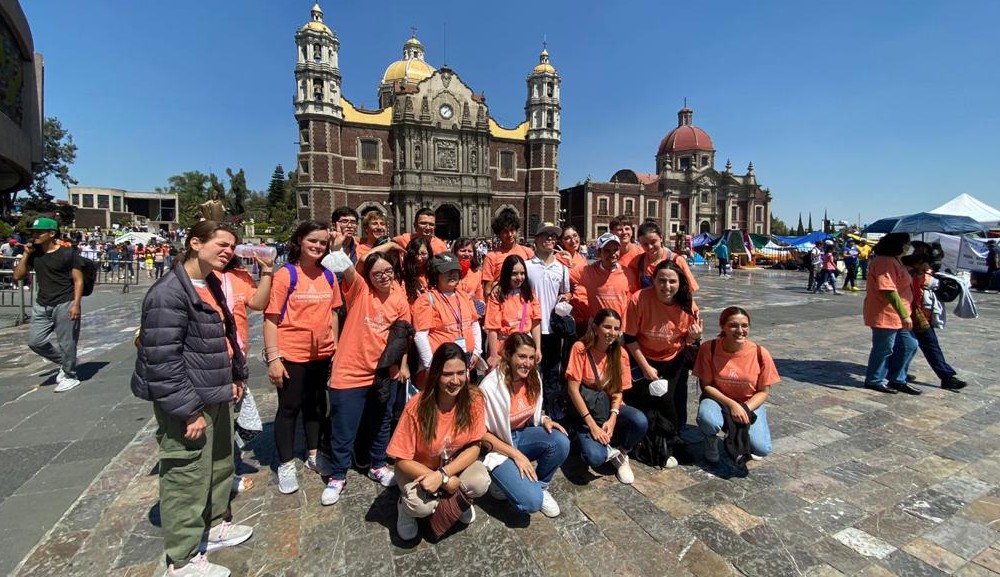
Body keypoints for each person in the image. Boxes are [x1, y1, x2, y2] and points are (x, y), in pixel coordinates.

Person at [130, 220, 253, 577]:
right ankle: (181, 559)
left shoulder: (211, 283)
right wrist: (187, 411)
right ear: (195, 243)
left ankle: (214, 525)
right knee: (186, 475)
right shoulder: (168, 293)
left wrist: (237, 375)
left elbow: (225, 334)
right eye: (222, 244)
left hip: (215, 390)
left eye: (232, 246)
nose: (228, 251)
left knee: (218, 464)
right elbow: (162, 359)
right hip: (187, 402)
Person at [321, 231, 412, 505]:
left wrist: (401, 366)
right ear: (368, 276)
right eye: (376, 272)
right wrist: (338, 247)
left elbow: (403, 336)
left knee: (381, 422)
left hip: (382, 373)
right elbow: (348, 266)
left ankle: (377, 464)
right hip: (349, 371)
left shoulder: (399, 300)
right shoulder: (360, 291)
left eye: (387, 271)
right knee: (344, 427)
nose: (383, 276)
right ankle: (337, 475)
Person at [263, 221, 342, 494]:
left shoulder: (328, 276)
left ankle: (313, 453)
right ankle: (285, 463)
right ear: (300, 240)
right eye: (313, 241)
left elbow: (333, 313)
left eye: (322, 242)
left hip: (321, 354)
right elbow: (271, 318)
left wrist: (336, 347)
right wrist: (273, 358)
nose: (318, 246)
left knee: (316, 405)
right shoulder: (287, 275)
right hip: (291, 354)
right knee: (289, 408)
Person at [387, 343, 490, 540]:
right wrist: (441, 479)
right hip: (417, 469)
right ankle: (405, 509)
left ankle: (455, 503)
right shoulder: (417, 406)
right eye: (447, 374)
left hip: (450, 466)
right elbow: (401, 460)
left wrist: (443, 476)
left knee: (480, 481)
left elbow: (476, 446)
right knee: (420, 506)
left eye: (461, 373)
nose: (455, 380)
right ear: (435, 374)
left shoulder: (474, 398)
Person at [623, 261, 703, 467]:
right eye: (662, 280)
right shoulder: (639, 299)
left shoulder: (688, 305)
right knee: (644, 402)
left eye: (672, 281)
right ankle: (643, 439)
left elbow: (688, 341)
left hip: (673, 360)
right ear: (653, 280)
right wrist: (645, 367)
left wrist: (694, 338)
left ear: (680, 283)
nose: (666, 286)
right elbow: (630, 337)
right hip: (642, 357)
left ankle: (670, 439)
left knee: (670, 404)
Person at [480, 333, 569, 517]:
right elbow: (481, 434)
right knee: (531, 502)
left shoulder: (533, 376)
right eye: (521, 356)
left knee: (560, 441)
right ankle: (503, 481)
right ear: (509, 356)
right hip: (499, 446)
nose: (527, 363)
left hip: (522, 434)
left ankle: (541, 486)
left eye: (531, 357)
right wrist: (516, 455)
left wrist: (544, 419)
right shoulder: (489, 387)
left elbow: (535, 412)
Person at [218, 239, 276, 494]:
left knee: (230, 419)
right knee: (215, 422)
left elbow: (258, 303)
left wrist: (265, 272)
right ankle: (218, 479)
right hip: (209, 361)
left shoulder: (239, 275)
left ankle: (227, 470)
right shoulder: (198, 279)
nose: (228, 251)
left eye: (231, 245)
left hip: (236, 358)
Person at [565, 308, 647, 484]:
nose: (612, 333)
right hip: (586, 411)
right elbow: (573, 389)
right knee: (595, 458)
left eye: (616, 329)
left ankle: (622, 452)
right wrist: (592, 425)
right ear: (595, 327)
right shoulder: (580, 348)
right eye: (607, 327)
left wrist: (613, 418)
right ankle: (583, 439)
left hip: (608, 406)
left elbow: (618, 390)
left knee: (640, 420)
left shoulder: (620, 353)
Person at [694, 306, 779, 465]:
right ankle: (711, 440)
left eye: (744, 325)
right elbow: (706, 386)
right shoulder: (709, 349)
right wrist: (732, 405)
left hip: (749, 401)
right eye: (733, 325)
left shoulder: (760, 353)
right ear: (723, 327)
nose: (740, 330)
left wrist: (745, 408)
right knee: (708, 419)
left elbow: (763, 391)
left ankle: (746, 432)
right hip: (717, 399)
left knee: (762, 448)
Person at [13, 217, 84, 392]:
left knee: (67, 342)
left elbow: (78, 280)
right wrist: (26, 254)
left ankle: (70, 375)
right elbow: (18, 276)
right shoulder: (34, 254)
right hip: (42, 304)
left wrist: (76, 304)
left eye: (39, 232)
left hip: (65, 302)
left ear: (52, 234)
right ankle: (64, 361)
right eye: (33, 232)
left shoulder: (68, 254)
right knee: (35, 341)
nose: (34, 235)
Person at [863, 233, 920, 395]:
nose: (909, 247)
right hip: (886, 313)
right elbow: (888, 289)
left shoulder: (896, 261)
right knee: (884, 348)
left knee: (909, 345)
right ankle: (874, 379)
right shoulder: (884, 262)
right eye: (907, 243)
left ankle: (898, 378)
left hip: (900, 314)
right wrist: (904, 314)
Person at [525, 223, 571, 418]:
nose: (550, 239)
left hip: (553, 330)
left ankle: (550, 410)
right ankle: (531, 409)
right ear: (536, 238)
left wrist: (565, 299)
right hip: (530, 329)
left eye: (553, 236)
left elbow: (566, 292)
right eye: (545, 235)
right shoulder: (527, 266)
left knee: (552, 372)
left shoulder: (561, 269)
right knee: (531, 372)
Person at [902, 253, 968, 391]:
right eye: (926, 263)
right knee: (921, 347)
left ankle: (898, 373)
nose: (929, 266)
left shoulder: (923, 276)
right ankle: (946, 377)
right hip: (912, 316)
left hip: (921, 316)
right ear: (919, 263)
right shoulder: (911, 275)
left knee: (913, 347)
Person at [412, 252, 482, 375]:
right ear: (436, 275)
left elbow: (474, 324)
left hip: (465, 360)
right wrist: (430, 365)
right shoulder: (426, 300)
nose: (452, 275)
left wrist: (477, 351)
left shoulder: (464, 296)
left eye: (455, 271)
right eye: (446, 272)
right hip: (440, 365)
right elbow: (421, 335)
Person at [485, 255, 541, 368]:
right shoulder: (498, 294)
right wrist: (494, 354)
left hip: (525, 345)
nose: (519, 277)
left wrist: (538, 348)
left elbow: (536, 322)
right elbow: (492, 327)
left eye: (522, 273)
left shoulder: (529, 293)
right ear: (507, 274)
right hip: (504, 348)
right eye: (514, 274)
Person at [569, 232, 634, 326]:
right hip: (597, 329)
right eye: (607, 250)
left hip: (620, 328)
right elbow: (561, 276)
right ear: (599, 253)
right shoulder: (588, 272)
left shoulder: (628, 273)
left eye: (615, 250)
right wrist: (568, 293)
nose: (612, 254)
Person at [628, 222, 700, 293]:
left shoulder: (676, 260)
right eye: (645, 244)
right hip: (646, 304)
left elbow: (690, 289)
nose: (650, 247)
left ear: (661, 238)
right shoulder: (638, 261)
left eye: (653, 242)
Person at [482, 211, 534, 296]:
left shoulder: (528, 252)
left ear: (516, 231)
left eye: (512, 230)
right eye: (505, 232)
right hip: (502, 301)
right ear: (499, 234)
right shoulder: (491, 256)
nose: (510, 234)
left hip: (523, 301)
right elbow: (487, 290)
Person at [402, 237, 433, 303]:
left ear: (429, 254)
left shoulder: (435, 273)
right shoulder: (403, 277)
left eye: (423, 254)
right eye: (415, 253)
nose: (419, 258)